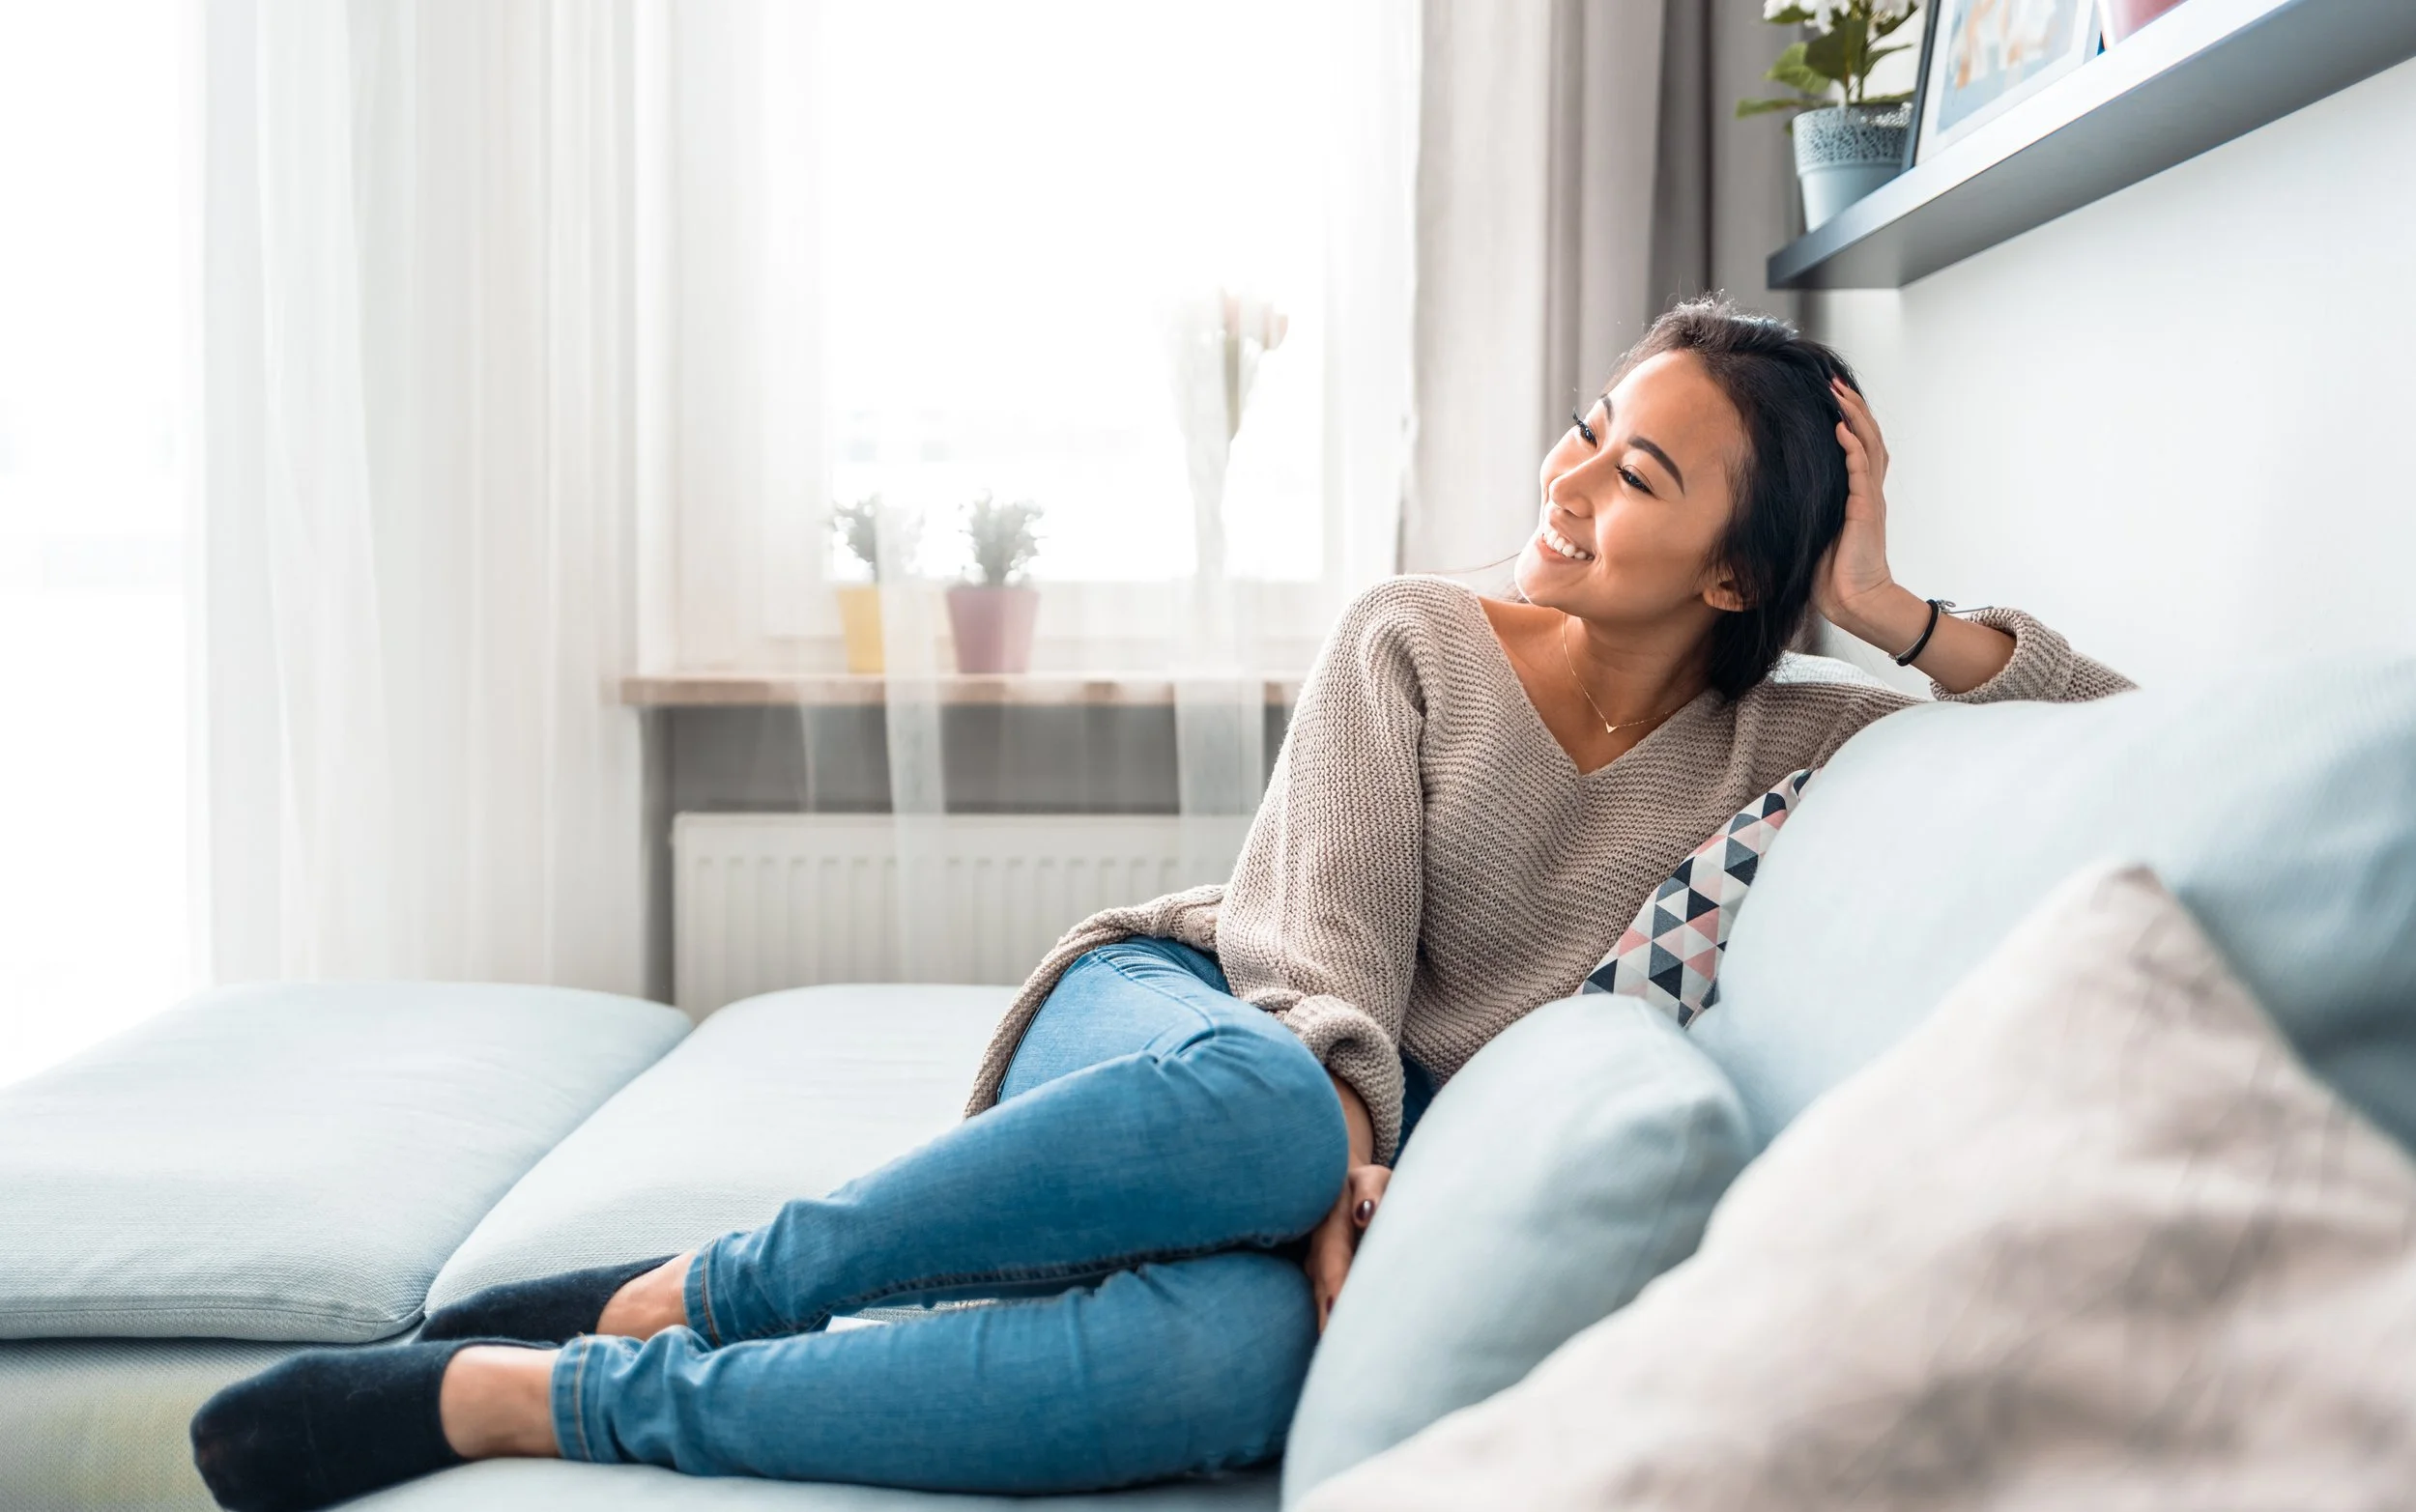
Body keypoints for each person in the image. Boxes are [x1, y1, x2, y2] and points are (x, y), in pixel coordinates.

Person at [189, 299, 2132, 1511]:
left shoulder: (1785, 740)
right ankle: (720, 1277)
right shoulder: (1418, 634)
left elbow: (2108, 739)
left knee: (1226, 1376)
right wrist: (1346, 1156)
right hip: (1193, 1024)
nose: (1567, 480)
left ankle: (547, 1386)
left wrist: (1882, 606)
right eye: (1584, 423)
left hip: (1319, 1144)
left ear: (1731, 578)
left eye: (1637, 473)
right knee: (1280, 1098)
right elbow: (1315, 967)